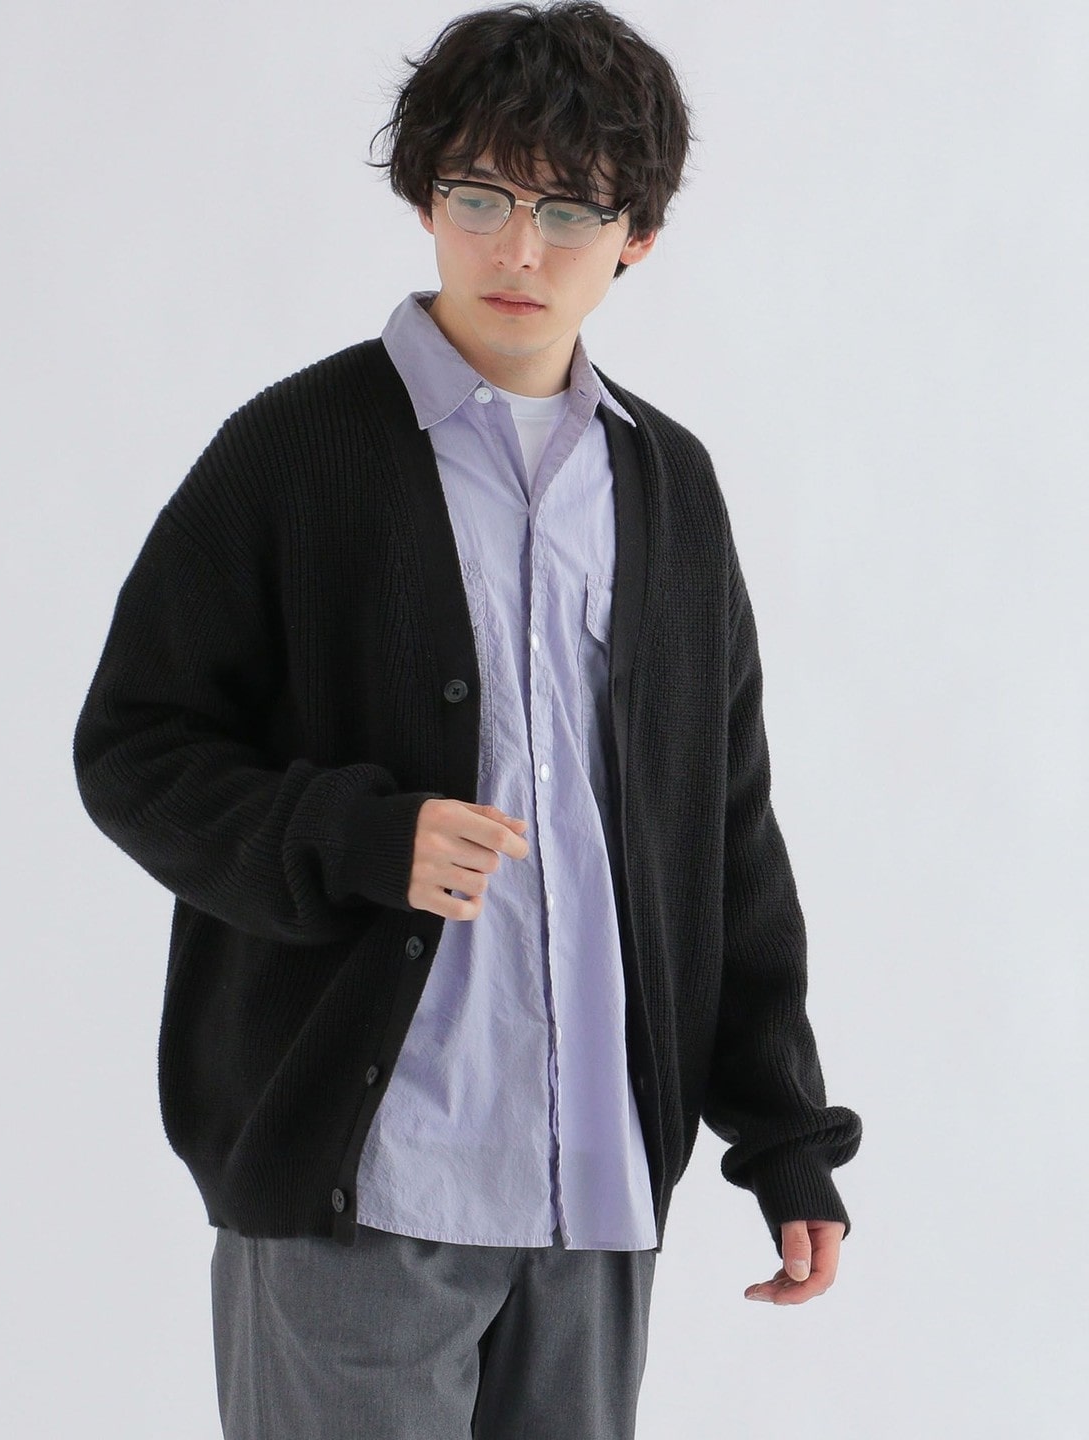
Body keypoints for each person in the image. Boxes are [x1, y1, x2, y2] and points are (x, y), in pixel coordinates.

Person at [74, 3, 861, 1435]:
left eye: (568, 209)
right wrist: (354, 839)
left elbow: (725, 824)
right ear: (425, 201)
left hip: (594, 1187)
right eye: (481, 196)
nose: (518, 250)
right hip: (365, 1178)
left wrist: (786, 1134)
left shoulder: (669, 488)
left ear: (637, 237)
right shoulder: (294, 452)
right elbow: (134, 746)